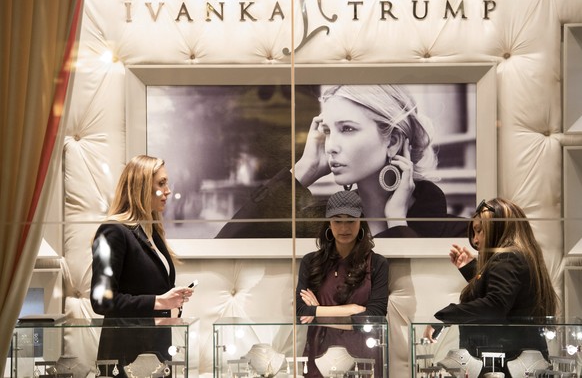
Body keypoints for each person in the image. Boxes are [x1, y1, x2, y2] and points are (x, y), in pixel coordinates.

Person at [216, 84, 466, 238]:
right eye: (327, 131)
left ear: (392, 141)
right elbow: (228, 245)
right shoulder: (322, 227)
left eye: (347, 129)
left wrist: (397, 223)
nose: (331, 146)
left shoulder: (458, 234)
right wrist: (303, 170)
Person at [425, 198, 559, 374]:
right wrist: (471, 270)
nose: (475, 240)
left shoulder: (508, 258)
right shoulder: (519, 256)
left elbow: (495, 305)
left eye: (479, 231)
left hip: (507, 363)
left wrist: (445, 316)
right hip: (517, 363)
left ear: (498, 228)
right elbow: (510, 299)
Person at [90, 155, 194, 377]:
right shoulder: (113, 231)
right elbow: (102, 301)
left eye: (167, 183)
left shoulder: (153, 232)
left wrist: (172, 304)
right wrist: (159, 302)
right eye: (161, 183)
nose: (168, 190)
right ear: (141, 186)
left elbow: (149, 293)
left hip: (155, 353)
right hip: (125, 357)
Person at [295, 190, 389, 378]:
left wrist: (319, 311)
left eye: (350, 220)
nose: (344, 228)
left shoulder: (377, 263)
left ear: (360, 221)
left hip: (363, 354)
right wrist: (353, 309)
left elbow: (375, 317)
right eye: (338, 220)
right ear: (329, 223)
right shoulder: (311, 262)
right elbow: (301, 313)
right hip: (320, 355)